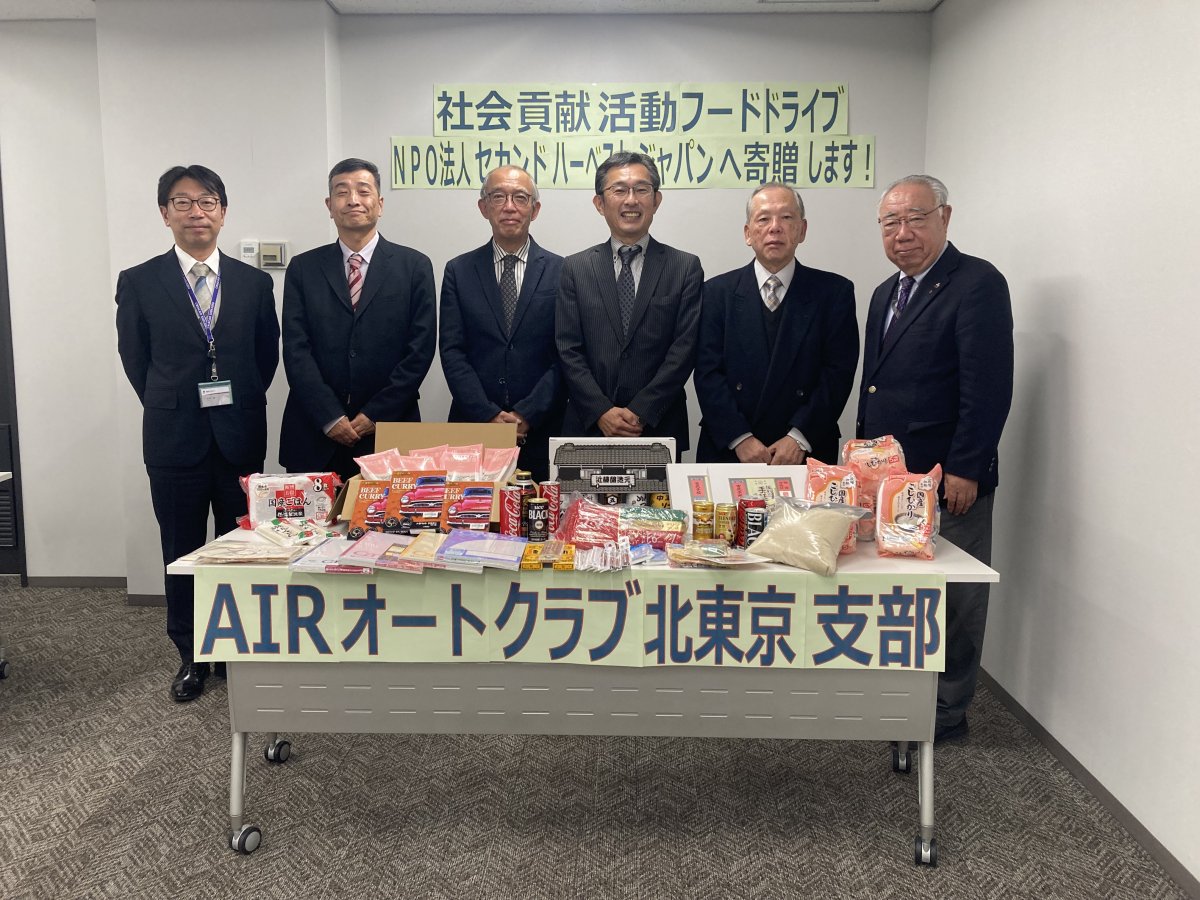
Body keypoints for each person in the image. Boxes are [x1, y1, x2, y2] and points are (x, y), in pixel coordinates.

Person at [856, 174, 1014, 742]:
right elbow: (874, 385)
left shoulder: (977, 284)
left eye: (916, 219)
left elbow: (988, 386)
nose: (902, 233)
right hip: (890, 480)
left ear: (945, 218)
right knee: (901, 594)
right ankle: (902, 696)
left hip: (949, 479)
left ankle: (947, 713)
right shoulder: (885, 292)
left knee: (955, 598)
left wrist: (967, 466)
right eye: (890, 222)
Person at [116, 164, 280, 702]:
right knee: (181, 551)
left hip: (239, 437)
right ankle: (191, 655)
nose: (196, 212)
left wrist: (236, 400)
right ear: (165, 213)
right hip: (173, 439)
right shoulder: (139, 281)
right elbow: (136, 360)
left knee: (240, 550)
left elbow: (265, 356)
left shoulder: (254, 283)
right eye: (183, 203)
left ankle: (233, 648)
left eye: (207, 202)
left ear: (223, 212)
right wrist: (172, 401)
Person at [279, 158, 436, 480]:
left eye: (363, 191)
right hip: (315, 433)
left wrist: (375, 413)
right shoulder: (303, 268)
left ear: (380, 203)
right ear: (329, 206)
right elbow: (296, 350)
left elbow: (419, 351)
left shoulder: (414, 267)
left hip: (390, 431)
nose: (353, 200)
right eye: (342, 192)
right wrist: (329, 416)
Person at [694, 183, 859, 465]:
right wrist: (740, 438)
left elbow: (837, 374)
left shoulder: (834, 292)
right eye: (763, 218)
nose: (775, 228)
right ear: (748, 233)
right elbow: (707, 373)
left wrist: (799, 437)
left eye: (786, 217)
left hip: (805, 449)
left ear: (802, 230)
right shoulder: (716, 292)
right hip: (730, 449)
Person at [555, 151, 703, 460]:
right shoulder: (575, 268)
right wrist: (601, 410)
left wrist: (641, 410)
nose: (631, 200)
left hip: (658, 426)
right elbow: (568, 348)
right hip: (589, 426)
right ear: (600, 203)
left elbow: (684, 349)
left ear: (656, 200)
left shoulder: (685, 267)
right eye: (619, 190)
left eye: (641, 189)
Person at [439, 166, 564, 481]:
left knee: (541, 510)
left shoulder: (563, 271)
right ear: (484, 207)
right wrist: (488, 415)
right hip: (474, 427)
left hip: (543, 428)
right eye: (498, 197)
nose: (509, 207)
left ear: (535, 209)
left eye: (520, 198)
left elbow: (567, 353)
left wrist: (528, 413)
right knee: (471, 510)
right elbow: (452, 351)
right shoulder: (458, 271)